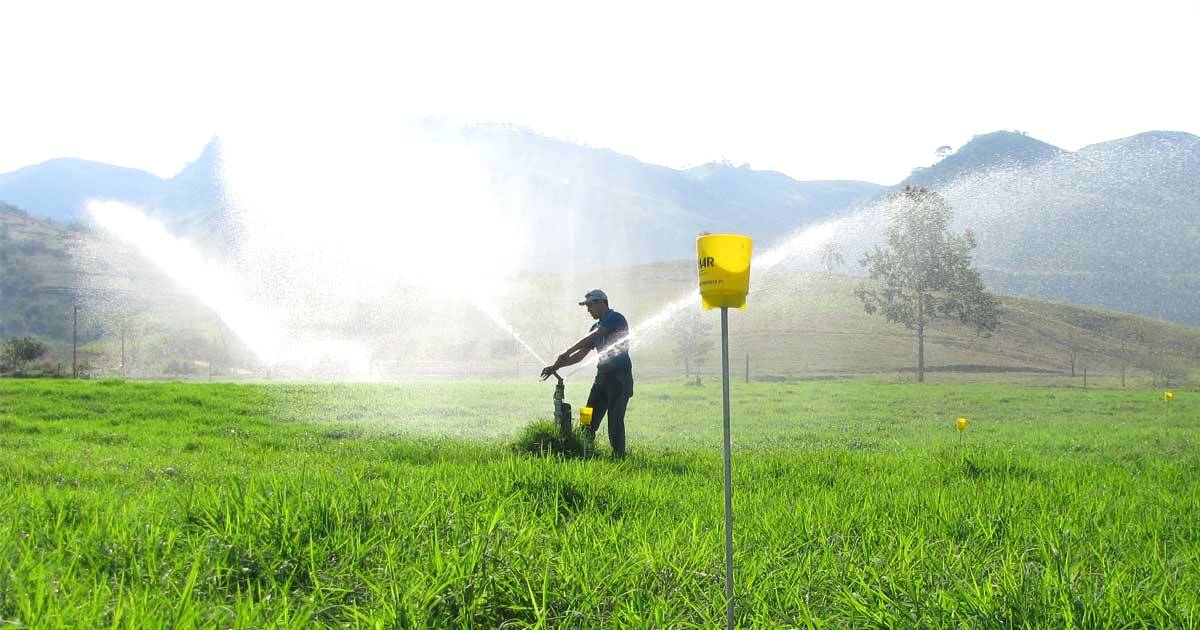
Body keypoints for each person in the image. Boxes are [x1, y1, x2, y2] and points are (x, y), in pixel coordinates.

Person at [540, 289, 634, 457]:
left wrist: (566, 351)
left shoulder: (615, 318)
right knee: (587, 416)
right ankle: (583, 452)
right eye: (587, 306)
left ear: (601, 302)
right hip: (602, 377)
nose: (588, 310)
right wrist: (556, 366)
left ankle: (619, 457)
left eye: (590, 305)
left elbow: (597, 335)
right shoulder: (594, 326)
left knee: (615, 421)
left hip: (620, 378)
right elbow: (580, 355)